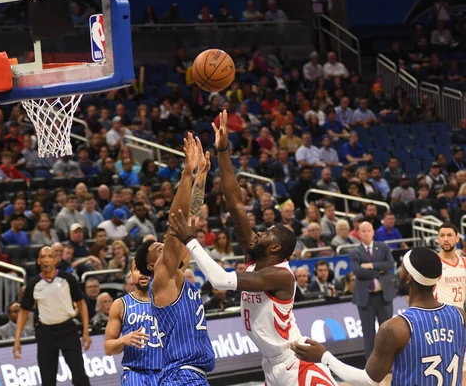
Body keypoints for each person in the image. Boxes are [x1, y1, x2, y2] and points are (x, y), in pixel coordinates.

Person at [166, 112, 337, 386]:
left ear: (276, 247)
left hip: (298, 364)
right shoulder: (255, 255)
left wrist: (191, 240)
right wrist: (223, 150)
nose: (259, 233)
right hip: (271, 366)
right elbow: (234, 202)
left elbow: (221, 280)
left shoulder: (281, 276)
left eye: (266, 233)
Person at [291, 247, 466, 386]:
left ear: (409, 278)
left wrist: (324, 357)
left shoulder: (395, 328)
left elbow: (367, 381)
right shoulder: (459, 315)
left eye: (402, 269)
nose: (399, 272)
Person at [133, 133, 215, 385]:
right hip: (182, 376)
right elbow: (177, 220)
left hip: (190, 375)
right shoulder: (162, 278)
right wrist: (186, 173)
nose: (166, 246)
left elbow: (190, 218)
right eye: (159, 248)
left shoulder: (179, 275)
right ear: (151, 266)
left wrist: (201, 175)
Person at [14, 246, 91, 386]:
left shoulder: (67, 279)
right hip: (46, 334)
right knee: (48, 380)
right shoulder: (33, 284)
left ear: (55, 260)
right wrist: (17, 339)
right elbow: (24, 312)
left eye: (49, 256)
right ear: (38, 261)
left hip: (68, 330)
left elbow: (81, 304)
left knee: (80, 376)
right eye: (43, 257)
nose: (46, 260)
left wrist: (86, 330)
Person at [104, 261, 162, 385]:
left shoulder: (169, 301)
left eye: (147, 269)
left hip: (166, 371)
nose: (143, 273)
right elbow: (108, 348)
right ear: (131, 275)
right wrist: (122, 340)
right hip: (135, 373)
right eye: (137, 269)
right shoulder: (120, 305)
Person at [349, 221, 395, 359]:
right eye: (363, 231)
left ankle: (390, 361)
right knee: (368, 333)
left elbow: (390, 265)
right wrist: (379, 271)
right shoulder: (354, 252)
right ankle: (371, 366)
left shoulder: (383, 247)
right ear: (358, 233)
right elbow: (358, 272)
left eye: (369, 230)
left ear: (373, 232)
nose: (366, 233)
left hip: (384, 296)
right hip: (365, 299)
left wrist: (369, 265)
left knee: (387, 331)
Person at [435, 223, 466, 308]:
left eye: (449, 235)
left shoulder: (464, 262)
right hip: (440, 317)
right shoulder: (433, 263)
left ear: (457, 238)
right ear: (438, 239)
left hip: (460, 315)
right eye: (442, 236)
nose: (445, 239)